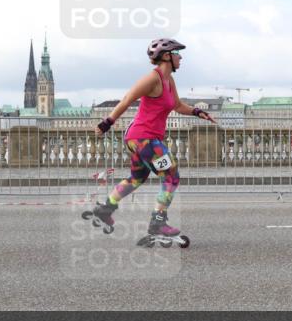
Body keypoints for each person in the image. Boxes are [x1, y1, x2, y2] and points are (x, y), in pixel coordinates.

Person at [91, 38, 216, 236]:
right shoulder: (152, 78)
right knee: (171, 176)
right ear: (167, 56)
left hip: (139, 139)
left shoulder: (169, 81)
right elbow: (127, 99)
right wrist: (107, 123)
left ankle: (105, 209)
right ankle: (158, 222)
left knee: (136, 178)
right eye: (177, 53)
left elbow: (177, 106)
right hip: (144, 138)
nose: (181, 57)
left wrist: (197, 112)